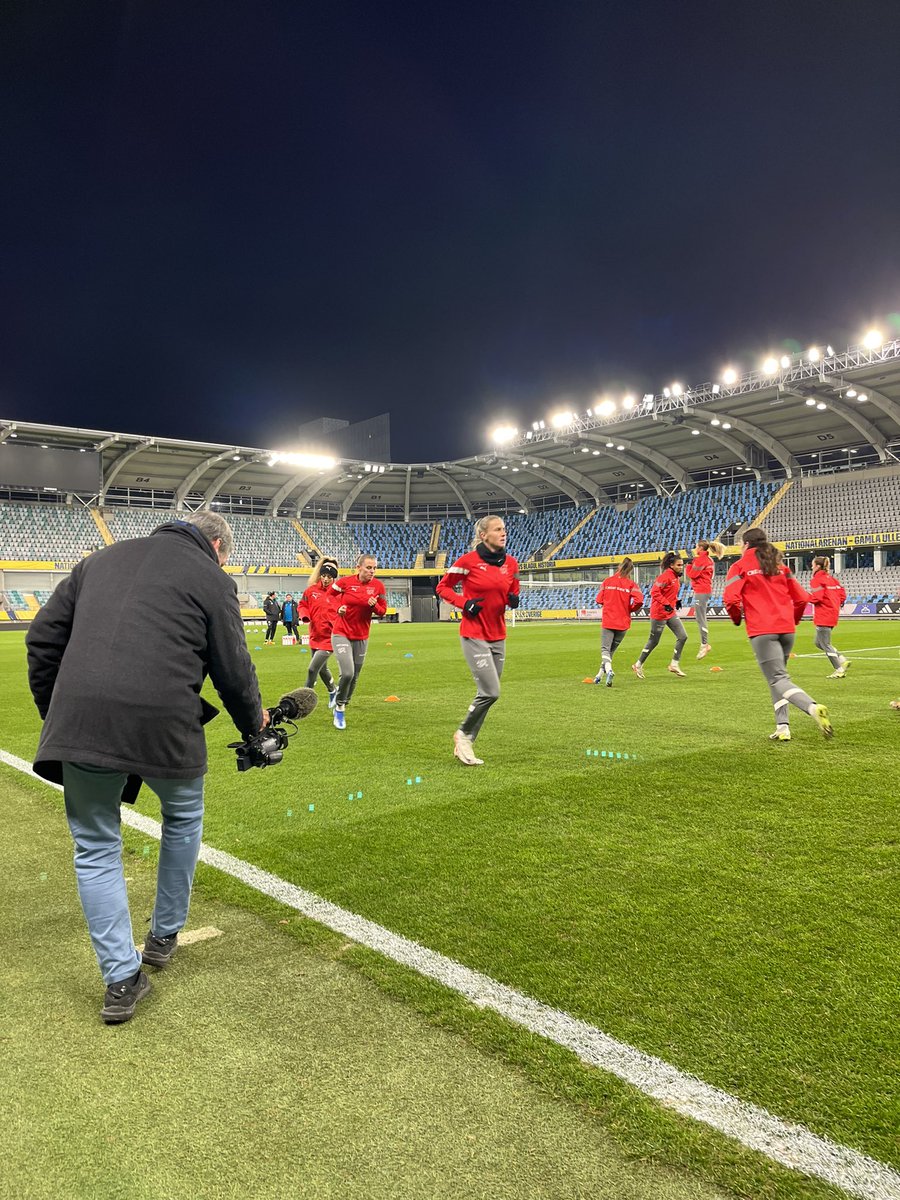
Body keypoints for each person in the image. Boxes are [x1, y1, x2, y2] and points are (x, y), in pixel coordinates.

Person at [25, 512, 267, 1024]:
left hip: (82, 725)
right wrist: (254, 731)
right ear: (218, 546)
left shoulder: (97, 560)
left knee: (94, 846)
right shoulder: (213, 578)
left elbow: (42, 641)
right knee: (182, 819)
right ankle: (162, 937)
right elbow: (234, 670)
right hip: (166, 725)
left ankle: (120, 980)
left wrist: (62, 716)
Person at [723, 527, 833, 741]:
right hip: (786, 630)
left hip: (762, 630)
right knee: (777, 678)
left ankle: (812, 707)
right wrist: (793, 621)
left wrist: (737, 619)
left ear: (746, 544)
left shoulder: (739, 566)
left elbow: (730, 600)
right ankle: (783, 727)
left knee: (778, 678)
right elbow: (802, 599)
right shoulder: (780, 566)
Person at [436, 514, 520, 765]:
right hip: (474, 634)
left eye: (504, 529)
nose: (503, 533)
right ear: (483, 535)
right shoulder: (468, 561)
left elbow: (513, 588)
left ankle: (467, 742)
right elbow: (442, 587)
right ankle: (462, 735)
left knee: (488, 693)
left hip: (499, 636)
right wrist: (464, 603)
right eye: (497, 529)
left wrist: (513, 598)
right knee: (491, 692)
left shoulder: (511, 563)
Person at [329, 554, 387, 729]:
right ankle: (339, 707)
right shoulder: (345, 582)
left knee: (354, 676)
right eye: (369, 567)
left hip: (362, 636)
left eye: (374, 568)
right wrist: (337, 608)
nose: (372, 571)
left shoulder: (378, 586)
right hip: (341, 632)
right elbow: (329, 597)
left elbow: (383, 611)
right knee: (347, 673)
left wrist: (374, 606)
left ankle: (344, 701)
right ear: (359, 567)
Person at [632, 552, 688, 679]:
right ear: (671, 565)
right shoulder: (665, 577)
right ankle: (638, 664)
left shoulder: (675, 577)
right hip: (659, 613)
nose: (681, 567)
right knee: (654, 641)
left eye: (682, 565)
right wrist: (666, 603)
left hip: (670, 612)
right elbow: (654, 592)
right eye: (679, 565)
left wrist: (676, 600)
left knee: (683, 636)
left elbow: (668, 592)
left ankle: (674, 664)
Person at [593, 557, 644, 686]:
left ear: (619, 567)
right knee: (611, 651)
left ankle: (609, 671)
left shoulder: (607, 581)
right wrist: (629, 609)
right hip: (623, 623)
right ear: (630, 571)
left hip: (609, 620)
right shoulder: (631, 584)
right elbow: (639, 601)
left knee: (605, 649)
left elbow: (599, 600)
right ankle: (599, 675)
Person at [299, 558, 340, 708]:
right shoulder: (311, 591)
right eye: (324, 576)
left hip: (330, 638)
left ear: (334, 578)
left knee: (312, 669)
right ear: (320, 575)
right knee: (322, 669)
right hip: (315, 636)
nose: (326, 579)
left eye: (330, 577)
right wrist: (305, 615)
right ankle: (333, 691)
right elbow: (303, 604)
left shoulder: (338, 594)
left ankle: (302, 701)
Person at [808, 556, 849, 678]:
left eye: (813, 565)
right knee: (818, 643)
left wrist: (805, 597)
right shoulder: (832, 580)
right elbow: (842, 595)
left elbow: (817, 598)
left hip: (823, 614)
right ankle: (841, 659)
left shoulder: (816, 580)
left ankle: (839, 669)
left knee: (825, 644)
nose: (811, 567)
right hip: (833, 613)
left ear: (818, 566)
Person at [685, 539, 725, 659]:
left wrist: (688, 566)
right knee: (699, 616)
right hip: (705, 589)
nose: (695, 549)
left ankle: (704, 644)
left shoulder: (700, 560)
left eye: (696, 547)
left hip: (701, 590)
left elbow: (692, 574)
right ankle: (704, 644)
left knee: (700, 617)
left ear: (701, 548)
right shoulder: (709, 560)